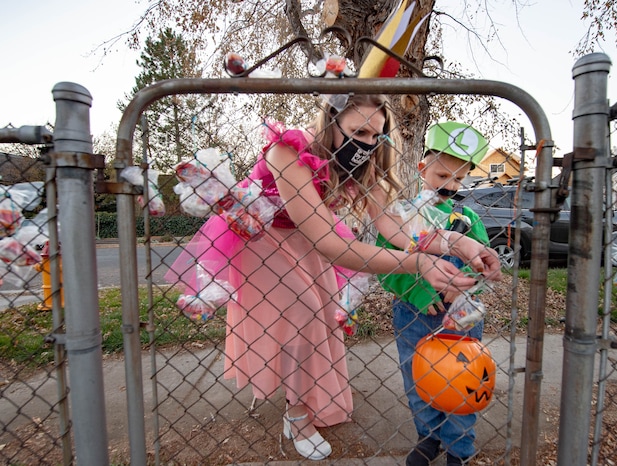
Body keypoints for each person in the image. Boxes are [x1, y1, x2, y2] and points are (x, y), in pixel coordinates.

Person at [166, 98, 501, 461]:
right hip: (264, 239)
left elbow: (397, 228)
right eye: (359, 131)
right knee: (302, 319)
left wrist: (459, 241)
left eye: (376, 134)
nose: (368, 143)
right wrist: (418, 265)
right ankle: (296, 416)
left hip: (312, 240)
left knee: (321, 321)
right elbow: (331, 244)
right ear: (331, 121)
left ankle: (306, 397)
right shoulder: (288, 149)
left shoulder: (364, 161)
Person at [377, 121, 501, 466]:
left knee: (464, 382)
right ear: (422, 169)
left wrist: (475, 278)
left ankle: (459, 447)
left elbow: (481, 262)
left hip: (460, 319)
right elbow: (385, 266)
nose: (449, 186)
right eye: (442, 175)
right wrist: (417, 293)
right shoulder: (400, 217)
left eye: (459, 179)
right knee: (421, 381)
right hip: (414, 315)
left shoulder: (468, 218)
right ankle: (428, 437)